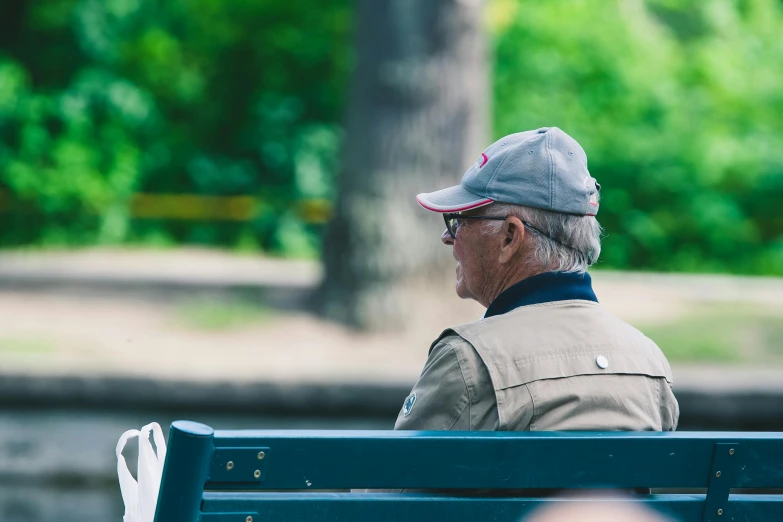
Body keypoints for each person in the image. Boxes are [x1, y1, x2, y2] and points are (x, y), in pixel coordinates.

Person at [397, 127, 679, 433]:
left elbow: (391, 479)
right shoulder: (648, 362)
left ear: (509, 237)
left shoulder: (468, 361)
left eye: (461, 221)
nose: (447, 237)